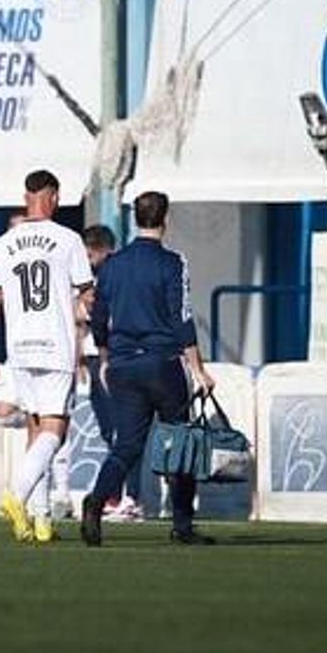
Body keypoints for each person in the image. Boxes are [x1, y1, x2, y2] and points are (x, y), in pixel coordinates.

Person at [81, 191, 217, 547]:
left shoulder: (113, 264)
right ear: (165, 219)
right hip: (162, 364)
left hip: (123, 364)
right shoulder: (173, 263)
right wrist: (198, 369)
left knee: (126, 445)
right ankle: (182, 525)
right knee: (180, 441)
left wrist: (105, 358)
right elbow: (181, 317)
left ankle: (96, 500)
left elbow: (98, 316)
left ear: (135, 218)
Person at [0, 170, 94, 544]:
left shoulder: (3, 243)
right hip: (55, 346)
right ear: (55, 197)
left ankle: (42, 521)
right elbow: (87, 295)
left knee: (34, 430)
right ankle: (17, 495)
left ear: (26, 197)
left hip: (19, 349)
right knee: (54, 432)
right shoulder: (68, 239)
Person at [79, 223, 142, 522]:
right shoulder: (90, 278)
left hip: (117, 355)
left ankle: (131, 496)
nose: (87, 259)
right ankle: (116, 494)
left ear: (102, 250)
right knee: (109, 431)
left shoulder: (117, 275)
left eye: (90, 253)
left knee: (125, 431)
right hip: (96, 356)